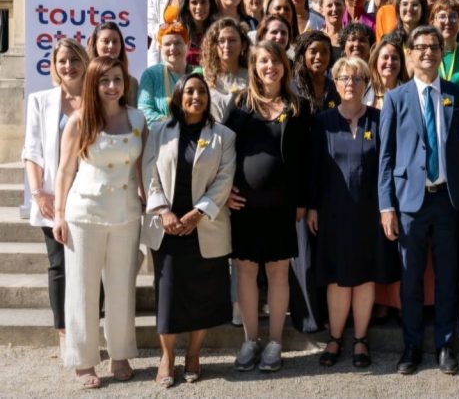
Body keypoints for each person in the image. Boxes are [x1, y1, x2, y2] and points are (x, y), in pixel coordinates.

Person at [379, 25, 459, 375]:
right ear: (410, 54)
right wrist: (386, 206)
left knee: (448, 276)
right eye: (419, 47)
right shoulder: (395, 98)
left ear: (442, 52)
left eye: (433, 46)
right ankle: (411, 347)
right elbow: (386, 157)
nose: (427, 53)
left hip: (447, 201)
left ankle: (446, 345)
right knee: (411, 278)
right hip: (409, 204)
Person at [52, 56, 147, 389]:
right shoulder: (79, 121)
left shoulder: (137, 118)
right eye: (104, 80)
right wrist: (59, 214)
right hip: (85, 214)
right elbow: (64, 170)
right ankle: (83, 359)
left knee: (122, 287)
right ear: (94, 83)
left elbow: (139, 167)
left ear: (125, 83)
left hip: (125, 213)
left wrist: (146, 198)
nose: (111, 86)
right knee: (82, 289)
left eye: (117, 79)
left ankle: (120, 353)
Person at [142, 73, 235, 387]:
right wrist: (163, 210)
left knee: (203, 294)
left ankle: (193, 354)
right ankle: (166, 357)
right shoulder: (158, 131)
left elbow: (224, 180)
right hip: (166, 227)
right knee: (168, 296)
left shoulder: (223, 136)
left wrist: (199, 213)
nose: (196, 97)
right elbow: (148, 174)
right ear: (179, 96)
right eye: (190, 91)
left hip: (204, 227)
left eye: (202, 92)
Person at [224, 41, 311, 373]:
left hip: (282, 207)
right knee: (245, 271)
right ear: (254, 67)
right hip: (243, 205)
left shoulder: (297, 105)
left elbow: (304, 159)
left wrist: (303, 199)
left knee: (277, 273)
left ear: (283, 67)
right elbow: (222, 151)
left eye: (275, 61)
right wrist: (224, 191)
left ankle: (274, 342)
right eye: (263, 61)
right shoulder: (240, 104)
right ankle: (250, 340)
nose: (269, 67)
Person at [308, 57, 400, 368]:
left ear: (366, 84)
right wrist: (311, 207)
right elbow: (315, 171)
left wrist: (389, 209)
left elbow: (388, 166)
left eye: (358, 78)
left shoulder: (379, 119)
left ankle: (360, 340)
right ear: (335, 83)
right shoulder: (322, 122)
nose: (351, 83)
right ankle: (335, 339)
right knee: (337, 277)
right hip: (332, 213)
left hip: (370, 213)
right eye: (345, 77)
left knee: (364, 276)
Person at [23, 39, 89, 352]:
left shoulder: (96, 98)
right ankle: (64, 331)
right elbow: (31, 151)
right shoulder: (41, 100)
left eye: (74, 60)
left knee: (90, 265)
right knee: (59, 265)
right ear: (54, 64)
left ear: (85, 62)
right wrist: (38, 193)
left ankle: (87, 325)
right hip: (52, 197)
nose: (69, 67)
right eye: (62, 61)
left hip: (91, 197)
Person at [139, 23, 192, 125]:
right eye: (167, 44)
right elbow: (144, 110)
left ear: (188, 45)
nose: (172, 48)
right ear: (160, 48)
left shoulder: (198, 73)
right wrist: (172, 124)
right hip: (162, 137)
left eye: (177, 43)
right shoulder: (150, 75)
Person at [200, 18, 249, 121]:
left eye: (232, 40)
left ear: (243, 45)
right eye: (221, 41)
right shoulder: (203, 76)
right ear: (214, 46)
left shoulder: (252, 77)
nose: (226, 46)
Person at [87, 23, 140, 106]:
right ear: (95, 44)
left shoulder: (131, 83)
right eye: (105, 41)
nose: (111, 46)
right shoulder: (84, 79)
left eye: (115, 41)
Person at [292, 31, 341, 112]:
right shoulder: (292, 88)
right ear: (303, 55)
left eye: (324, 52)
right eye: (313, 51)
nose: (319, 57)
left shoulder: (335, 87)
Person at [432, 0, 459, 87]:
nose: (447, 21)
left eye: (453, 16)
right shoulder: (428, 53)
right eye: (442, 16)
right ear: (433, 23)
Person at [178, 0, 219, 68]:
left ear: (210, 4)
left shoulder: (218, 31)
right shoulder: (178, 32)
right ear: (187, 6)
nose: (199, 7)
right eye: (194, 2)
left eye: (203, 2)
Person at [364, 34, 408, 109]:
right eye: (385, 57)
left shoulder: (409, 94)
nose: (390, 62)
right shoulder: (362, 90)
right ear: (376, 61)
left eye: (394, 58)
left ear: (401, 63)